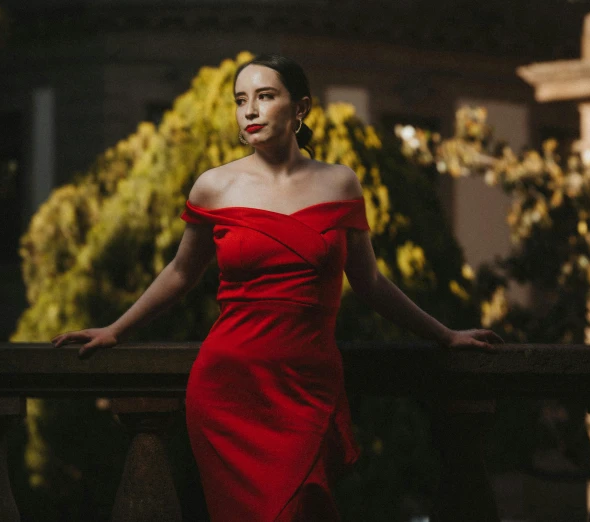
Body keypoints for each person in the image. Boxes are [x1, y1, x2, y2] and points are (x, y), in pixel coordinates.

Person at [51, 53, 503, 522]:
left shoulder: (339, 183)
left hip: (307, 388)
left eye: (265, 97)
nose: (250, 110)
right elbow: (181, 273)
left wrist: (445, 336)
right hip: (230, 390)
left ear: (300, 107)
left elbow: (369, 282)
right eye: (240, 100)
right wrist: (116, 330)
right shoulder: (214, 186)